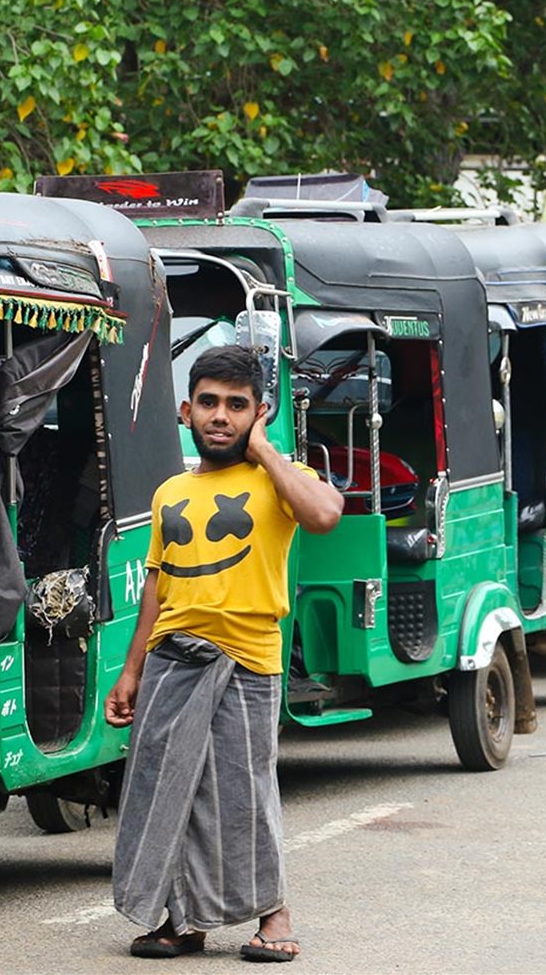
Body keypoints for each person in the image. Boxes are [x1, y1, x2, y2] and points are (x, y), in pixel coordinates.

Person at [105, 344, 343, 963]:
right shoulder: (168, 493)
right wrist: (130, 671)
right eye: (208, 402)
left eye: (237, 406)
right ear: (186, 410)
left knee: (243, 791)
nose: (221, 416)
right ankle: (183, 922)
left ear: (259, 413)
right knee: (168, 790)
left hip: (247, 661)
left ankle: (274, 914)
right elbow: (157, 584)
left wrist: (265, 451)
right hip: (169, 663)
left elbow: (324, 516)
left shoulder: (282, 481)